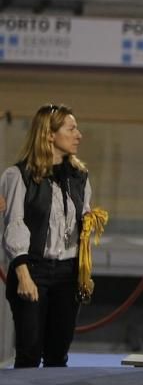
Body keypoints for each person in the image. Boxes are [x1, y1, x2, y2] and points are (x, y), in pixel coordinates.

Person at [1, 104, 92, 368]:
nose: (79, 135)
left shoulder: (80, 176)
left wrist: (90, 221)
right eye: (71, 129)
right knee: (29, 353)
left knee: (58, 355)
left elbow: (81, 215)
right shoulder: (18, 175)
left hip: (68, 272)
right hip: (33, 270)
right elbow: (14, 225)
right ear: (50, 135)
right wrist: (23, 276)